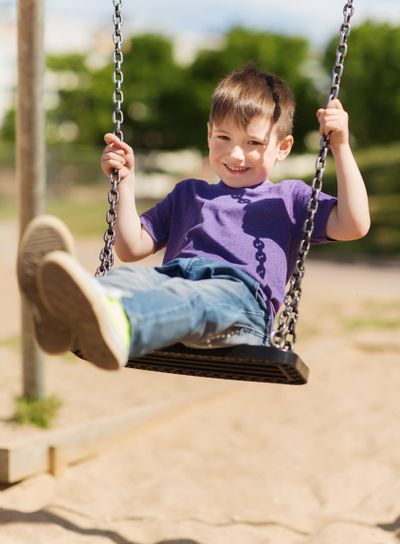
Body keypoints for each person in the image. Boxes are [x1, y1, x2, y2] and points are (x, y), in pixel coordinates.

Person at [17, 65, 370, 371]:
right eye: (224, 137)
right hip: (172, 283)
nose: (236, 153)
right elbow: (132, 247)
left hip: (239, 304)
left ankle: (118, 324)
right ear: (208, 134)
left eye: (253, 143)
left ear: (283, 147)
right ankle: (63, 312)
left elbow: (354, 224)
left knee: (194, 298)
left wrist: (340, 146)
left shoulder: (288, 198)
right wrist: (125, 183)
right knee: (130, 279)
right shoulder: (189, 194)